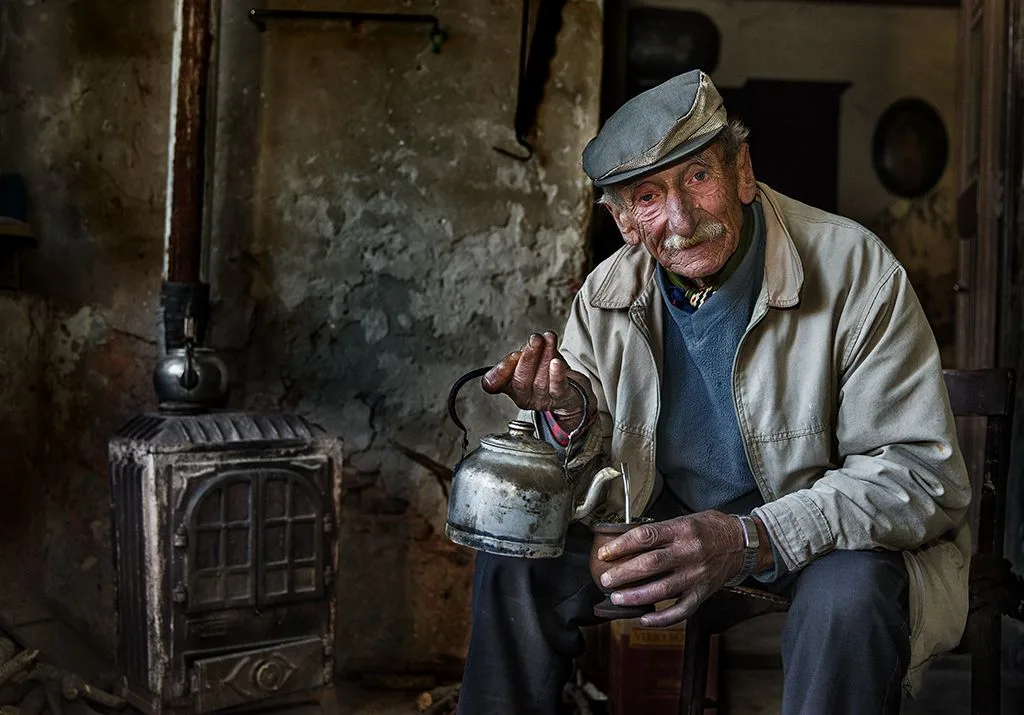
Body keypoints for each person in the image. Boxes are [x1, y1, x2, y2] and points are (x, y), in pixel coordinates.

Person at [456, 70, 971, 715]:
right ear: (623, 221)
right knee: (517, 552)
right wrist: (567, 420)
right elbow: (591, 465)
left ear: (742, 171)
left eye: (698, 178)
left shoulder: (856, 271)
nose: (680, 219)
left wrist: (750, 538)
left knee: (853, 594)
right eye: (648, 197)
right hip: (665, 532)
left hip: (807, 538)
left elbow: (920, 477)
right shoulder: (606, 295)